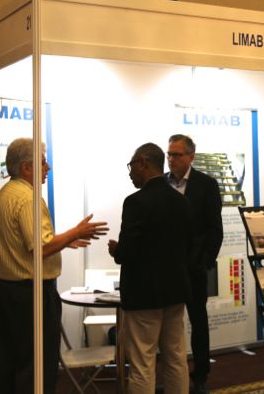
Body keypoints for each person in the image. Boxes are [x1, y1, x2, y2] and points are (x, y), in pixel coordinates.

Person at [0, 138, 109, 394]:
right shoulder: (29, 198)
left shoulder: (3, 196)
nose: (48, 167)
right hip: (31, 295)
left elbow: (24, 245)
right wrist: (76, 231)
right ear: (26, 167)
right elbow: (40, 247)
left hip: (8, 291)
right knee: (36, 365)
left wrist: (64, 241)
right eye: (43, 162)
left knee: (10, 361)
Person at [108, 143, 192, 394]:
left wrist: (117, 251)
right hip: (175, 292)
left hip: (143, 295)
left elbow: (128, 252)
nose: (130, 172)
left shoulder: (135, 202)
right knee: (176, 358)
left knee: (142, 363)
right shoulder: (181, 201)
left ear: (143, 163)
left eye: (131, 165)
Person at [166, 134, 223, 393]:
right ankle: (171, 377)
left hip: (194, 268)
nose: (171, 159)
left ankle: (200, 376)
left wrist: (205, 262)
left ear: (191, 157)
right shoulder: (162, 184)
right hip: (167, 267)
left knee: (198, 322)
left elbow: (215, 229)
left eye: (177, 155)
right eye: (169, 154)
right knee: (167, 324)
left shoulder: (206, 185)